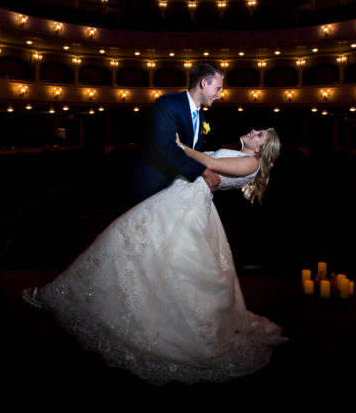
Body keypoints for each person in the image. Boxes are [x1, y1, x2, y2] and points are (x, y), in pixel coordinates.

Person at [22, 127, 287, 385]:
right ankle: (78, 294)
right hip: (179, 198)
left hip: (186, 207)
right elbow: (205, 168)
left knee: (156, 256)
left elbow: (206, 162)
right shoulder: (239, 155)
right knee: (126, 241)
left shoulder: (251, 164)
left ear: (262, 148)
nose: (253, 131)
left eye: (260, 134)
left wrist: (180, 146)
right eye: (257, 130)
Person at [128, 63, 224, 203]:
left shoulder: (200, 115)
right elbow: (165, 148)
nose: (219, 95)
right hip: (155, 185)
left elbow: (191, 151)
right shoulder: (169, 103)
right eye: (217, 89)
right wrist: (203, 171)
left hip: (178, 188)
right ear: (204, 83)